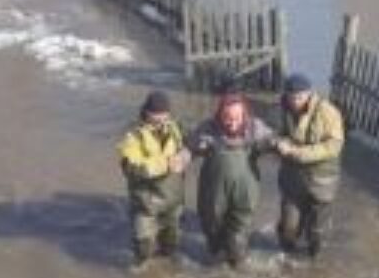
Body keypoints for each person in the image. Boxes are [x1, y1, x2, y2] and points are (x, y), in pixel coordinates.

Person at [187, 92, 276, 268]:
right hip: (213, 194)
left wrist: (276, 145)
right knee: (213, 238)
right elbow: (189, 147)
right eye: (227, 118)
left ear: (245, 115)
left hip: (244, 194)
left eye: (237, 117)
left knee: (237, 243)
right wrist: (183, 156)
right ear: (220, 115)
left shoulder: (255, 128)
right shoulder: (208, 128)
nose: (233, 123)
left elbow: (272, 141)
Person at [274, 73, 345, 258]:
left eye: (300, 96)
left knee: (316, 232)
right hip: (292, 178)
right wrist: (279, 142)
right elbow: (279, 132)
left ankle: (315, 263)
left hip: (321, 179)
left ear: (309, 94)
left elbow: (334, 145)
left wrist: (299, 153)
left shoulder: (328, 112)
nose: (295, 101)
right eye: (291, 97)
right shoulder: (283, 108)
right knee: (288, 227)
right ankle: (286, 260)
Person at [117, 90, 190, 265]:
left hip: (173, 200)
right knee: (143, 249)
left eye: (164, 115)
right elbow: (131, 168)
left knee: (171, 245)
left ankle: (166, 271)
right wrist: (165, 164)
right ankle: (140, 269)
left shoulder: (175, 127)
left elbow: (191, 143)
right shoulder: (132, 134)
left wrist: (185, 156)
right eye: (155, 114)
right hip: (146, 202)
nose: (160, 119)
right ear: (146, 112)